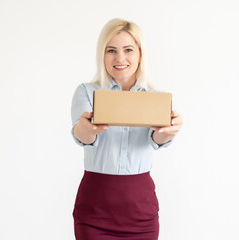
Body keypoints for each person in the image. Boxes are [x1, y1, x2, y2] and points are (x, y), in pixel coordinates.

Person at [70, 18, 183, 240]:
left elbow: (157, 139)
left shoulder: (156, 99)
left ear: (140, 54)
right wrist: (86, 129)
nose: (120, 58)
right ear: (102, 55)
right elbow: (81, 134)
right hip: (95, 212)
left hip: (141, 214)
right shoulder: (86, 92)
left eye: (128, 50)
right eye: (111, 50)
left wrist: (167, 132)